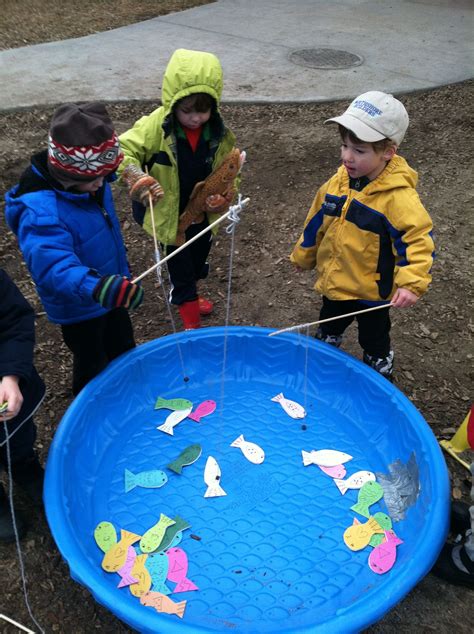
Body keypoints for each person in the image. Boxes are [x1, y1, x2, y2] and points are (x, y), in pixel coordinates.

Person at [290, 91, 434, 380]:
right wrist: (304, 254)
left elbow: (417, 241)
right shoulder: (339, 180)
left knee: (375, 335)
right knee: (329, 323)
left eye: (359, 150)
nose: (347, 156)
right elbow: (317, 218)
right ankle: (325, 356)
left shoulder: (398, 198)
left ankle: (379, 365)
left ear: (388, 152)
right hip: (338, 279)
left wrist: (411, 284)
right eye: (344, 146)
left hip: (373, 291)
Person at [4, 103, 144, 396]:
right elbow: (53, 268)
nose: (101, 185)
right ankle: (89, 406)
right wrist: (95, 286)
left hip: (109, 287)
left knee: (122, 344)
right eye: (93, 180)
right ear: (67, 174)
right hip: (79, 304)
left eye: (104, 177)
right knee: (91, 358)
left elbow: (111, 173)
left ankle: (129, 393)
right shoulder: (41, 211)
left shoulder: (90, 179)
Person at [118, 48, 240, 330]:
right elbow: (122, 150)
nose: (196, 119)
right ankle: (190, 323)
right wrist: (135, 176)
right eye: (187, 111)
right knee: (180, 265)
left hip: (200, 212)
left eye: (204, 111)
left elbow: (231, 171)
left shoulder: (218, 134)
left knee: (197, 259)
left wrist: (222, 199)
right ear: (173, 102)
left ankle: (191, 295)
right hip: (165, 211)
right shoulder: (156, 126)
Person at [0, 268, 45, 541]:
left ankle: (25, 468)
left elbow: (15, 320)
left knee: (18, 438)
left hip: (6, 391)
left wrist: (10, 375)